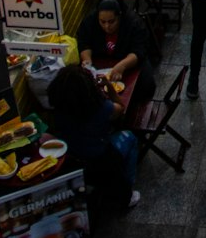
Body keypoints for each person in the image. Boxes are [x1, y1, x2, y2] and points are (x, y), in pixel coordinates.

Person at [47, 64, 140, 208]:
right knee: (130, 137)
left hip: (70, 158)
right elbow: (121, 108)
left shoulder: (59, 107)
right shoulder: (102, 108)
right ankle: (127, 190)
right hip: (101, 160)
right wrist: (109, 86)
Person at [76, 0, 155, 102]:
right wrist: (87, 61)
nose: (107, 26)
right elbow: (84, 43)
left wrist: (122, 65)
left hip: (128, 61)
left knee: (145, 85)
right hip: (100, 61)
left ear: (120, 17)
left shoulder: (134, 23)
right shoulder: (90, 21)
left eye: (111, 22)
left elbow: (139, 50)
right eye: (102, 22)